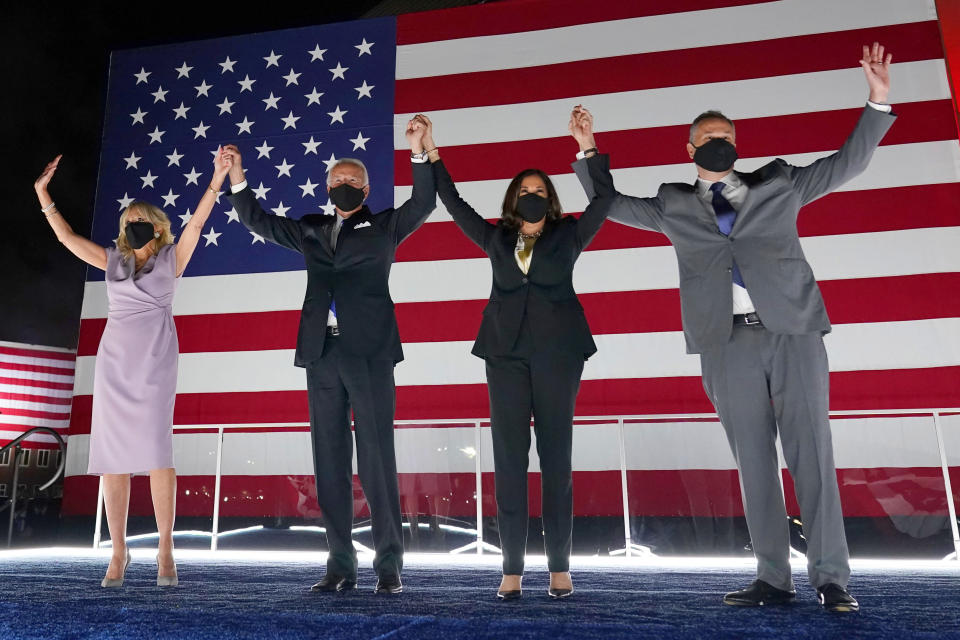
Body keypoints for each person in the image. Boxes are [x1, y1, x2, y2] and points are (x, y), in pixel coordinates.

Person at [569, 43, 897, 612]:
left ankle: (831, 578)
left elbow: (848, 163)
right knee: (752, 460)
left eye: (728, 134)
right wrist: (588, 149)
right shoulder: (673, 204)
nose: (720, 141)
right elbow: (610, 204)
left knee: (812, 452)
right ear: (691, 148)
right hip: (725, 342)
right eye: (709, 135)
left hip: (793, 330)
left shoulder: (780, 184)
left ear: (736, 146)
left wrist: (877, 99)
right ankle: (773, 576)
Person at [220, 116, 435, 595]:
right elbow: (260, 221)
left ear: (365, 187)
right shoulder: (312, 230)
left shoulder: (383, 227)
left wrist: (420, 151)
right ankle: (340, 563)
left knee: (377, 457)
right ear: (326, 186)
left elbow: (423, 202)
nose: (341, 185)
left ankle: (389, 565)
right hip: (322, 353)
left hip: (370, 353)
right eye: (334, 180)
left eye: (350, 181)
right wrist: (237, 178)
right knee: (329, 460)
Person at [418, 115, 610, 600]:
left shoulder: (568, 235)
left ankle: (560, 568)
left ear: (551, 198)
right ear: (512, 199)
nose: (533, 195)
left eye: (540, 190)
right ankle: (511, 569)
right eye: (525, 190)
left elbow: (604, 200)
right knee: (508, 462)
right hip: (503, 356)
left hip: (558, 356)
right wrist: (431, 151)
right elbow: (453, 203)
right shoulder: (495, 239)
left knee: (556, 461)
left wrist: (588, 147)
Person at [33, 149, 232, 587]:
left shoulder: (170, 259)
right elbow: (67, 240)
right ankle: (118, 552)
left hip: (155, 363)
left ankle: (165, 551)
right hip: (115, 365)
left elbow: (196, 224)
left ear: (158, 227)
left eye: (140, 218)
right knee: (114, 459)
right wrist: (42, 194)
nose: (132, 224)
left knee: (158, 454)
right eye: (127, 220)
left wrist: (216, 178)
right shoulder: (112, 262)